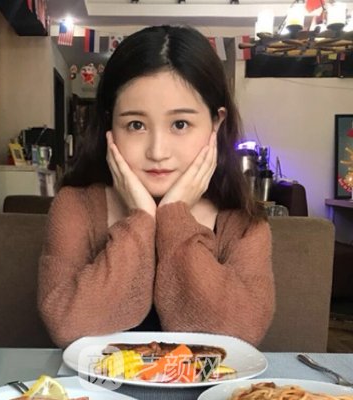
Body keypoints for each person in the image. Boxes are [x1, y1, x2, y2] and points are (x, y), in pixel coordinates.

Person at [38, 25, 275, 349]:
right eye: (135, 125)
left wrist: (174, 217)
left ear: (216, 124)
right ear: (110, 125)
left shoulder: (243, 223)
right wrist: (140, 219)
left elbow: (243, 333)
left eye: (180, 124)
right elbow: (67, 325)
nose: (157, 151)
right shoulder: (75, 206)